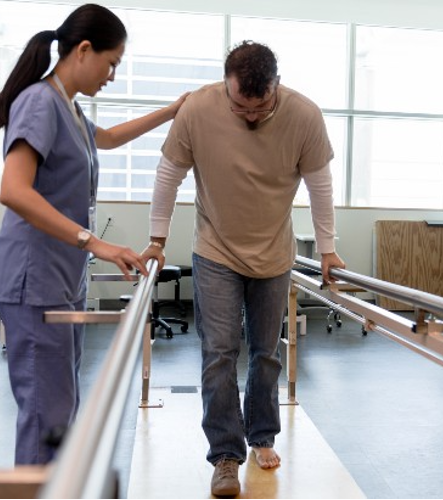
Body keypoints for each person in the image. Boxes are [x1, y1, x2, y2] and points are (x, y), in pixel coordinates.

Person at [142, 40, 345, 497]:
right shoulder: (197, 109)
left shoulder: (305, 115)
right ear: (226, 86)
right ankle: (226, 455)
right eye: (240, 106)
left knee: (266, 351)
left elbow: (320, 186)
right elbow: (168, 174)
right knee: (219, 351)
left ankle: (261, 436)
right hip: (215, 250)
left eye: (261, 106)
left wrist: (329, 249)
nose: (251, 116)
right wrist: (156, 239)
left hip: (274, 253)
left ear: (277, 86)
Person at [0, 3, 188, 465]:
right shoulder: (39, 102)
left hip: (61, 281)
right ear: (84, 50)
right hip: (34, 280)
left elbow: (110, 138)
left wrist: (174, 110)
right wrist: (95, 242)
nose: (111, 75)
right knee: (47, 412)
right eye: (112, 63)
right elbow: (12, 188)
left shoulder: (72, 112)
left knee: (61, 406)